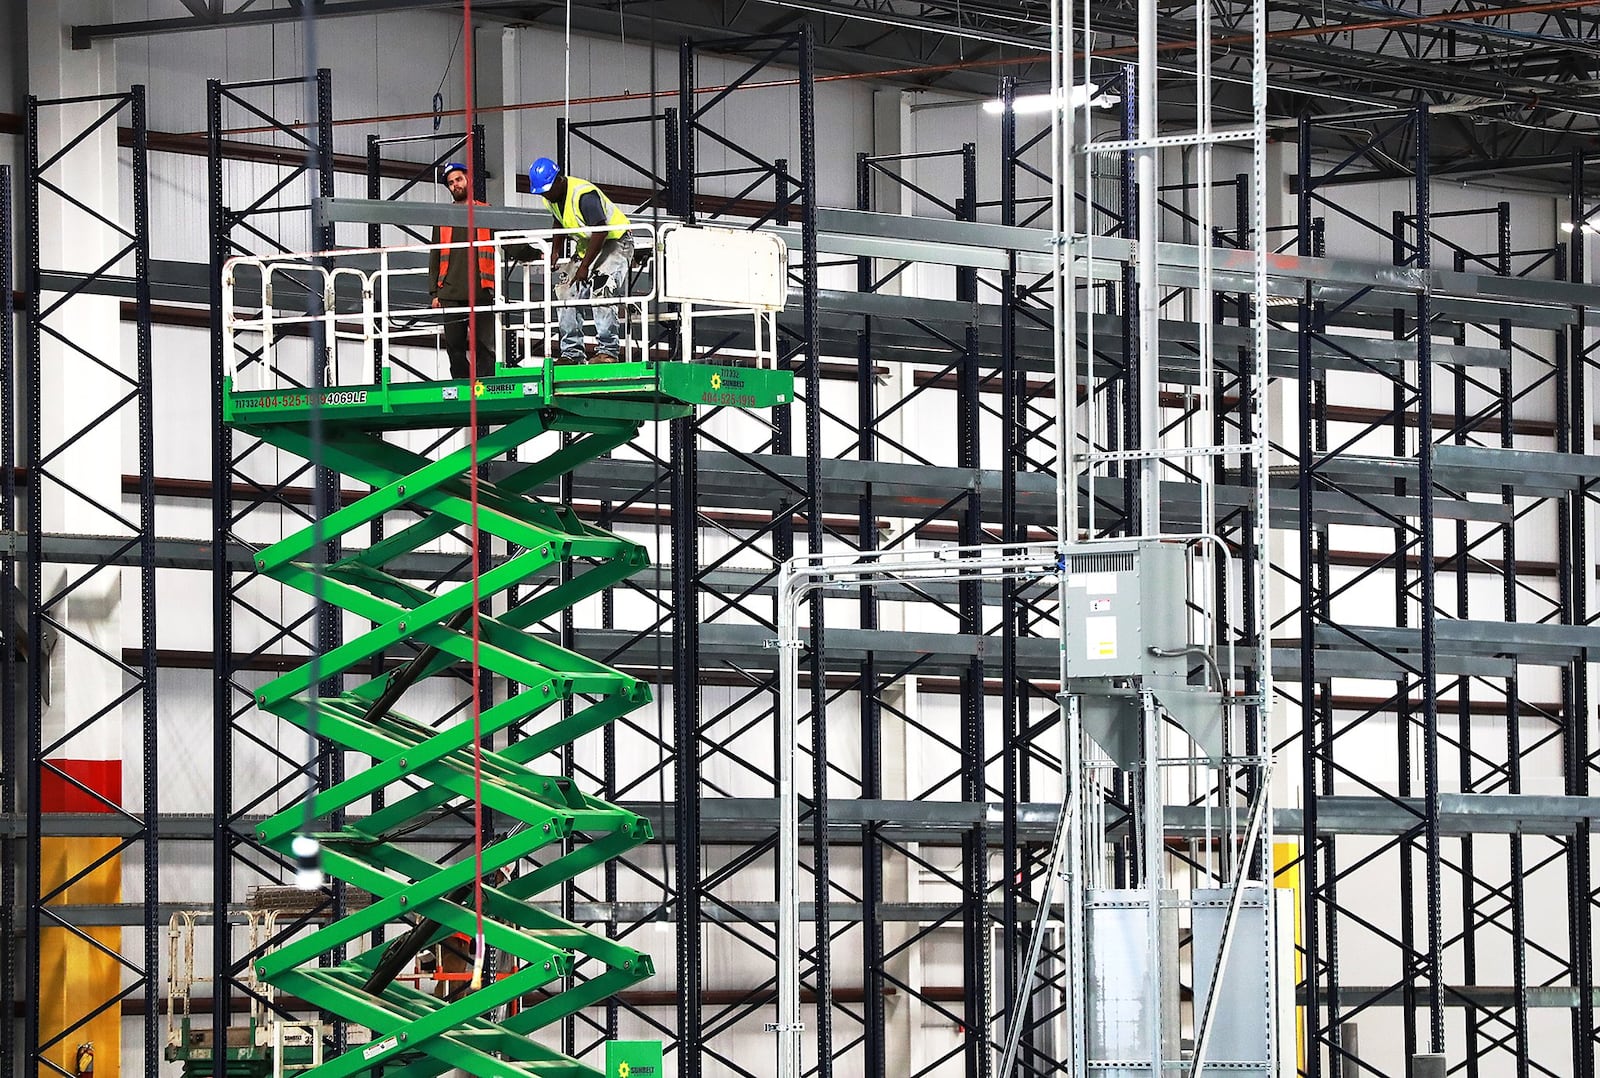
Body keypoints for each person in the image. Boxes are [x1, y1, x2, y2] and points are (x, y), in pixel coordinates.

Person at [527, 157, 633, 364]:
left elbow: (600, 231)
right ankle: (571, 353)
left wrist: (584, 267)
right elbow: (558, 220)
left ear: (560, 180)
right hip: (588, 246)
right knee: (566, 290)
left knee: (601, 287)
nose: (546, 194)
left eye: (548, 189)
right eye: (542, 192)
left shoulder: (584, 195)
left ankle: (607, 351)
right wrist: (555, 250)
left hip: (615, 240)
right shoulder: (549, 197)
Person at [427, 162, 498, 380]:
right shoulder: (444, 217)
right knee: (455, 347)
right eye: (450, 183)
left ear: (468, 179)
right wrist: (434, 293)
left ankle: (485, 385)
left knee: (485, 346)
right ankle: (461, 386)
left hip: (481, 292)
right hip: (450, 294)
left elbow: (507, 241)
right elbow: (435, 256)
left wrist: (534, 252)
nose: (455, 185)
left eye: (458, 179)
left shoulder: (486, 212)